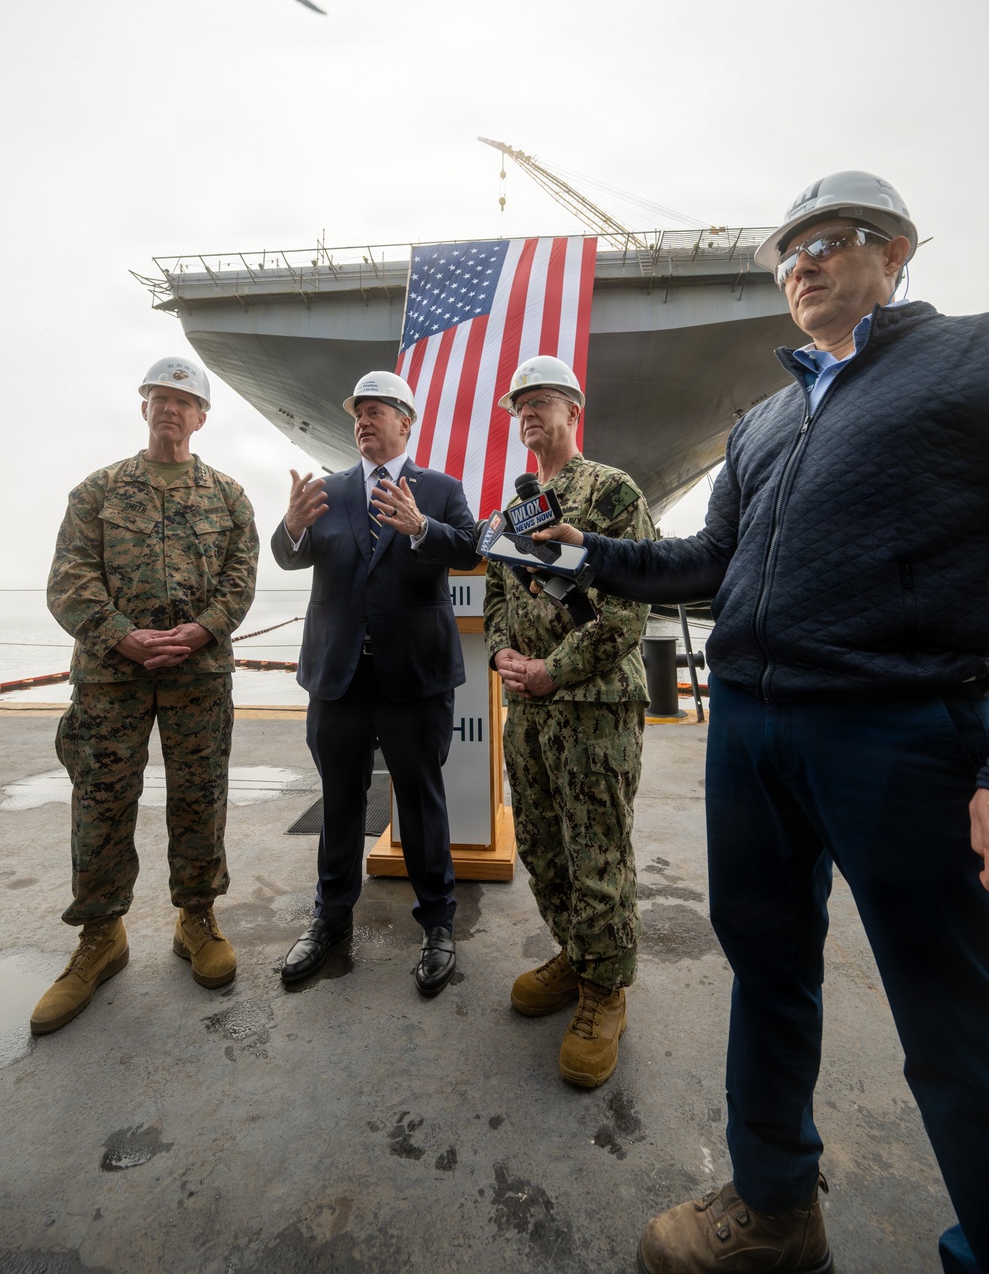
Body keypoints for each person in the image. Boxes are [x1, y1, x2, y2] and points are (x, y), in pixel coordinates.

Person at [537, 173, 989, 1274]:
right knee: (768, 963)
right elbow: (706, 564)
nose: (804, 265)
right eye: (788, 254)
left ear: (895, 253)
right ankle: (773, 1204)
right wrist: (582, 555)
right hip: (749, 726)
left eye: (830, 243)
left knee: (953, 1011)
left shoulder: (968, 361)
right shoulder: (766, 420)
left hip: (897, 730)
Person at [32, 357, 259, 1036]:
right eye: (159, 397)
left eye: (183, 399)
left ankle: (196, 918)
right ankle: (100, 936)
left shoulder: (228, 495)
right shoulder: (97, 491)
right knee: (101, 800)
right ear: (144, 408)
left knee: (200, 795)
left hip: (198, 675)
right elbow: (69, 578)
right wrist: (121, 635)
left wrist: (204, 629)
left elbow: (241, 578)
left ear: (201, 416)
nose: (170, 408)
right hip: (111, 677)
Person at [271, 370, 479, 996]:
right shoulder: (327, 491)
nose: (363, 419)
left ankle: (438, 924)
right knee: (340, 802)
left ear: (406, 421)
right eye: (358, 411)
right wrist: (291, 526)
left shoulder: (440, 488)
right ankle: (330, 919)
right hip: (339, 676)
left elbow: (470, 549)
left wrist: (420, 527)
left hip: (413, 676)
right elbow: (288, 554)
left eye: (377, 410)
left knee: (420, 801)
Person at [483, 355, 653, 1089]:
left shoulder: (610, 491)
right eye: (519, 403)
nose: (527, 412)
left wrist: (556, 667)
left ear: (572, 411)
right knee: (546, 850)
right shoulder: (506, 514)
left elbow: (629, 606)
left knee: (598, 854)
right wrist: (502, 658)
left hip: (594, 707)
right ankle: (577, 957)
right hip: (527, 709)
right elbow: (494, 600)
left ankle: (605, 991)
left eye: (541, 400)